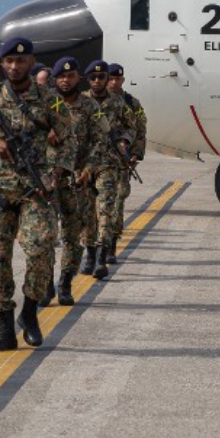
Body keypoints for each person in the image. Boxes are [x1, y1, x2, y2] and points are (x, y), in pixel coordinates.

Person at [0, 37, 75, 352]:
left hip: (36, 189)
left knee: (42, 248)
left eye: (21, 61)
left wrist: (56, 173)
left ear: (31, 62)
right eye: (9, 61)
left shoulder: (50, 100)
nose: (15, 66)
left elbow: (69, 139)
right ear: (2, 63)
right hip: (0, 192)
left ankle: (29, 313)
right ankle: (5, 326)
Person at [79, 60, 137, 280]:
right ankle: (90, 254)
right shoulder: (80, 102)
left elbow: (131, 126)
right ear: (88, 80)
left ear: (107, 79)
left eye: (101, 77)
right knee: (86, 213)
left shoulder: (118, 103)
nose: (97, 81)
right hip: (83, 166)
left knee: (105, 210)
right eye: (93, 78)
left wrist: (124, 139)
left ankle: (102, 257)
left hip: (108, 164)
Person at [46, 56, 92, 306]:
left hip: (76, 179)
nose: (66, 80)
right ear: (55, 79)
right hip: (47, 179)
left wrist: (89, 168)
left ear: (78, 78)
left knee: (73, 235)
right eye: (61, 76)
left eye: (71, 75)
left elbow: (99, 142)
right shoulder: (44, 104)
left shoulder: (89, 107)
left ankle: (64, 283)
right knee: (44, 235)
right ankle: (44, 283)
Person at [107, 63, 147, 265]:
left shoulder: (131, 103)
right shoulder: (92, 101)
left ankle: (111, 244)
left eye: (118, 79)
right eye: (111, 78)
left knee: (117, 201)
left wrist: (136, 153)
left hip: (122, 160)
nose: (114, 83)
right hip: (97, 162)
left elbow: (140, 129)